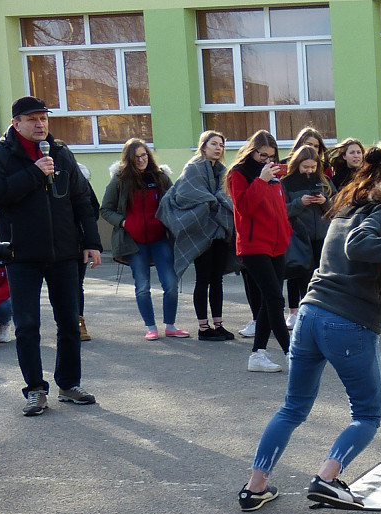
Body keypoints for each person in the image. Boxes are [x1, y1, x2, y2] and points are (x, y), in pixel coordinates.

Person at [239, 149, 381, 511]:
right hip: (347, 323)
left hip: (310, 317)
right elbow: (358, 245)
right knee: (367, 415)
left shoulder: (349, 209)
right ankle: (326, 479)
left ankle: (254, 488)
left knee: (292, 408)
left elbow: (368, 265)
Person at [0, 95, 102, 418]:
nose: (40, 124)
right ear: (15, 123)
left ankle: (68, 384)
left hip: (65, 253)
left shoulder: (60, 153)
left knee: (70, 323)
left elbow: (82, 201)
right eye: (32, 119)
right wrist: (34, 172)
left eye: (43, 118)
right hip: (22, 254)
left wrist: (91, 242)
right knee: (28, 325)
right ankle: (35, 389)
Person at [100, 138, 184, 341]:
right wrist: (124, 223)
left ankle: (170, 326)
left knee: (171, 284)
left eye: (144, 155)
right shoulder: (120, 180)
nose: (141, 160)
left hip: (159, 240)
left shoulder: (161, 177)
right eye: (136, 157)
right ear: (128, 159)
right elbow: (105, 209)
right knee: (143, 286)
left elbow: (175, 201)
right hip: (133, 242)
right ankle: (151, 327)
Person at [161, 130, 236, 342]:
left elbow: (226, 194)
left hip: (220, 230)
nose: (218, 147)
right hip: (201, 231)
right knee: (203, 279)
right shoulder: (193, 168)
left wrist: (218, 199)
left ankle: (218, 324)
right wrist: (214, 199)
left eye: (221, 144)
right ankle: (203, 327)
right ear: (203, 146)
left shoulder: (222, 171)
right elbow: (185, 193)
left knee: (217, 279)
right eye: (214, 143)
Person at [228, 130, 293, 373]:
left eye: (271, 157)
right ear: (252, 151)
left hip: (276, 244)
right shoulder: (239, 173)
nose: (267, 160)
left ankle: (258, 355)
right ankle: (290, 352)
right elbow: (244, 207)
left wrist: (285, 234)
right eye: (262, 155)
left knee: (270, 300)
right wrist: (261, 181)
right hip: (254, 245)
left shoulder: (273, 175)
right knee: (276, 299)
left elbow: (279, 209)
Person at [282, 143, 333, 334]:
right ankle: (303, 315)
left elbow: (337, 206)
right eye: (305, 167)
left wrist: (324, 202)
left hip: (322, 236)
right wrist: (299, 203)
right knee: (301, 277)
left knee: (321, 277)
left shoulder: (324, 180)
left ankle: (321, 314)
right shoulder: (287, 183)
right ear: (297, 165)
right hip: (299, 237)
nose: (309, 171)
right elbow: (282, 210)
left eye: (313, 167)